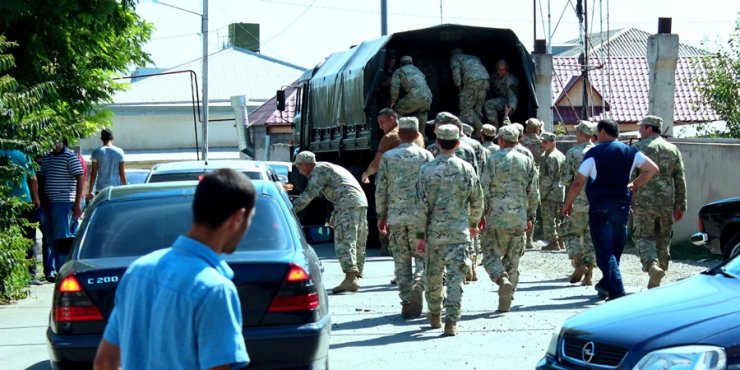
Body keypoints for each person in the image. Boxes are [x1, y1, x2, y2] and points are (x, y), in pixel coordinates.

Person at [93, 169, 254, 370]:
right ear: (238, 218)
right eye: (250, 219)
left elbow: (104, 363)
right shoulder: (215, 290)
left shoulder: (138, 271)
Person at [563, 119, 659, 301]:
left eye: (597, 132)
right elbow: (652, 169)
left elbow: (577, 182)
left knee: (604, 252)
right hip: (622, 206)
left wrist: (568, 203)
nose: (596, 136)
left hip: (600, 207)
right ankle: (605, 286)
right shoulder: (630, 151)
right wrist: (633, 185)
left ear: (604, 132)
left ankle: (617, 291)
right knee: (615, 250)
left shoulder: (594, 153)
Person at [415, 124, 483, 336]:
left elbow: (421, 206)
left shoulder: (427, 170)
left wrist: (420, 236)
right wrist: (472, 224)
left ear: (436, 143)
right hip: (459, 234)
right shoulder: (467, 169)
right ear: (458, 143)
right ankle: (451, 321)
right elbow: (477, 200)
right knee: (455, 278)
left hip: (434, 235)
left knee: (433, 277)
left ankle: (435, 314)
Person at [376, 117, 434, 318]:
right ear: (418, 135)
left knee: (401, 260)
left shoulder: (389, 157)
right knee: (421, 256)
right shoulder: (427, 156)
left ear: (399, 135)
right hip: (420, 217)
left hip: (396, 216)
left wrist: (381, 215)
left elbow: (381, 188)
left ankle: (407, 302)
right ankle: (419, 282)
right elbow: (432, 188)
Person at [479, 125, 539, 312]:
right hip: (519, 216)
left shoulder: (493, 159)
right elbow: (533, 192)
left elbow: (484, 189)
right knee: (513, 258)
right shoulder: (527, 161)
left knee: (489, 254)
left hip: (496, 216)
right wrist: (531, 216)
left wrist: (480, 214)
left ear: (501, 140)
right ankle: (509, 294)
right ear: (517, 140)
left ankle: (501, 278)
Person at [292, 151, 369, 294]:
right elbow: (341, 190)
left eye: (299, 167)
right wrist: (334, 214)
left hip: (347, 204)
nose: (300, 172)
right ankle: (355, 276)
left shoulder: (319, 170)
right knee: (357, 239)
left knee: (344, 240)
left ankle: (351, 278)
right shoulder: (328, 167)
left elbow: (309, 194)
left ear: (305, 164)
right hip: (358, 203)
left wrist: (291, 210)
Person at [632, 115, 687, 289]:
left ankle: (652, 267)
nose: (639, 131)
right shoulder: (672, 149)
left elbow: (630, 177)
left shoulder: (638, 148)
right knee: (663, 239)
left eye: (642, 128)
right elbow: (680, 179)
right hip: (665, 203)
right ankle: (660, 276)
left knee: (643, 236)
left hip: (643, 202)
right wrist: (680, 205)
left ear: (649, 128)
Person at [560, 121, 597, 285]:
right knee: (591, 238)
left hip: (576, 201)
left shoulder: (573, 152)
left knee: (569, 232)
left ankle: (579, 263)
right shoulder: (598, 151)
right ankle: (589, 275)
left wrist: (566, 202)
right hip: (596, 202)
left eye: (577, 133)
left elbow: (567, 179)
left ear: (582, 134)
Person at [0, 148, 42, 285]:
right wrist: (36, 198)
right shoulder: (23, 155)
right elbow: (32, 178)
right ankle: (31, 274)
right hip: (24, 200)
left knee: (7, 236)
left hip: (5, 201)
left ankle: (10, 274)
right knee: (29, 237)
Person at [41, 139, 84, 268]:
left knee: (62, 238)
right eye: (53, 142)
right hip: (50, 202)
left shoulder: (69, 156)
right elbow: (43, 177)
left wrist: (77, 203)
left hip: (64, 201)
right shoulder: (47, 157)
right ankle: (67, 264)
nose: (55, 144)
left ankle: (63, 268)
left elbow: (80, 177)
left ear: (62, 142)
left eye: (58, 142)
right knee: (50, 237)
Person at [361, 108, 425, 184]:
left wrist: (366, 174)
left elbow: (376, 164)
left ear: (391, 120)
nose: (380, 127)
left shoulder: (389, 137)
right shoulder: (420, 135)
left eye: (382, 123)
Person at [450, 48, 489, 136]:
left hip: (472, 80)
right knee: (478, 107)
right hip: (485, 80)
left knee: (465, 108)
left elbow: (456, 72)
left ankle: (480, 128)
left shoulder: (455, 57)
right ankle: (479, 134)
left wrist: (458, 85)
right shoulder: (473, 57)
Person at [390, 55, 432, 131]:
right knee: (422, 113)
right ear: (412, 63)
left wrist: (393, 101)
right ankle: (422, 136)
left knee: (397, 111)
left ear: (400, 64)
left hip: (415, 96)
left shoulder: (399, 71)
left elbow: (395, 88)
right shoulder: (418, 70)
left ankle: (399, 135)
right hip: (428, 96)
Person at [539, 132, 566, 251]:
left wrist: (542, 194)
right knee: (558, 218)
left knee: (549, 218)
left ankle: (553, 242)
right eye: (542, 142)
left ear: (552, 142)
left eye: (545, 142)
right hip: (559, 192)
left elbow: (547, 178)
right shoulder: (560, 155)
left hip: (550, 192)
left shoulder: (551, 157)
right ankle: (560, 241)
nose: (543, 144)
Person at [87, 128, 127, 200]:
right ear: (112, 137)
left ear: (101, 138)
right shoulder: (120, 152)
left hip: (101, 189)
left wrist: (90, 191)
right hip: (115, 188)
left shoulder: (96, 152)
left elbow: (94, 173)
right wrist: (126, 188)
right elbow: (122, 173)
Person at [484, 59, 519, 126]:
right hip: (498, 98)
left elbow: (513, 97)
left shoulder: (510, 81)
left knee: (488, 104)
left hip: (507, 101)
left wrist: (509, 109)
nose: (501, 72)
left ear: (507, 69)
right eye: (499, 70)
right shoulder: (494, 77)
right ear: (496, 69)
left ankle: (494, 129)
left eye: (503, 70)